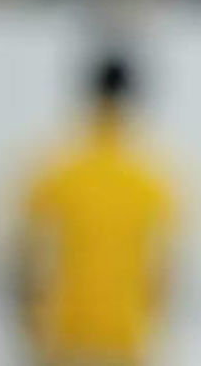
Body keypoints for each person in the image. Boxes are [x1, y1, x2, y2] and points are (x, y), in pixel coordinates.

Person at [16, 56, 178, 366]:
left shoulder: (54, 173)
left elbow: (27, 265)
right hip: (127, 342)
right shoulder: (155, 180)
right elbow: (166, 273)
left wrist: (31, 332)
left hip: (63, 342)